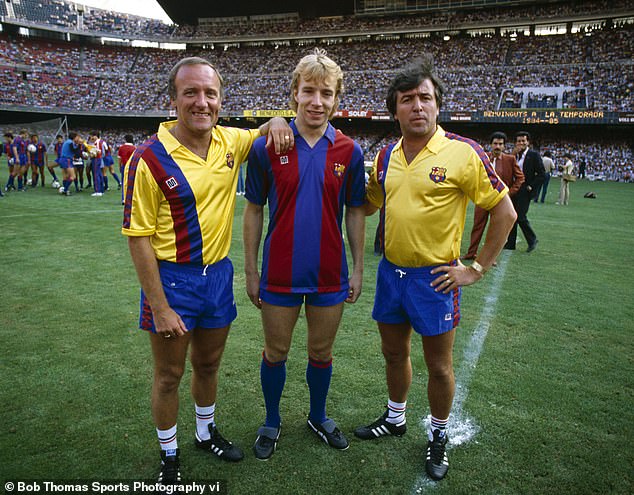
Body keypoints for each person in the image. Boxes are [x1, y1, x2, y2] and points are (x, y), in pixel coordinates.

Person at [121, 56, 292, 485]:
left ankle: (204, 432)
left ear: (220, 100)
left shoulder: (229, 141)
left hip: (217, 276)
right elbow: (138, 238)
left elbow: (265, 130)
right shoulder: (148, 159)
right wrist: (159, 306)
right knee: (169, 374)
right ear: (174, 99)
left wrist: (274, 120)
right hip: (172, 281)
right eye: (191, 93)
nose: (201, 102)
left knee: (209, 364)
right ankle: (169, 455)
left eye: (210, 93)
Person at [353, 55, 516, 482]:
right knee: (393, 353)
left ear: (438, 105)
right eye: (407, 100)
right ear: (395, 110)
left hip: (435, 277)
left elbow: (505, 212)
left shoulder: (462, 152)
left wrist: (476, 268)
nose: (417, 106)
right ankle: (395, 417)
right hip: (391, 273)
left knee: (439, 365)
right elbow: (368, 203)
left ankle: (438, 434)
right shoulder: (385, 155)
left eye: (425, 98)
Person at [243, 48, 366, 460]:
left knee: (321, 353)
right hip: (278, 271)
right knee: (275, 352)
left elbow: (354, 212)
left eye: (326, 93)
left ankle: (317, 414)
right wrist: (250, 271)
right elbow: (254, 209)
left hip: (330, 274)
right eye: (309, 91)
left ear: (336, 99)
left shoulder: (349, 151)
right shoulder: (267, 146)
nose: (317, 101)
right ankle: (272, 420)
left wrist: (359, 267)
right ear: (294, 93)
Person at [464, 131, 524, 260]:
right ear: (490, 145)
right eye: (495, 143)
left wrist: (509, 192)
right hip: (483, 198)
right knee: (477, 226)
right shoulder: (483, 157)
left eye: (500, 144)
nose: (497, 146)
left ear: (504, 146)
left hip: (500, 201)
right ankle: (471, 253)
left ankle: (491, 258)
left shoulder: (510, 159)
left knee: (496, 229)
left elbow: (520, 178)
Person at [505, 131, 545, 253]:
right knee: (512, 216)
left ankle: (532, 240)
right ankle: (510, 244)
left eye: (523, 141)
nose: (521, 143)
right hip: (513, 189)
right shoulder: (513, 155)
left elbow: (542, 174)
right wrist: (512, 155)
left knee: (521, 216)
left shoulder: (533, 155)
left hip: (525, 190)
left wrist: (531, 187)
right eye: (519, 141)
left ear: (528, 142)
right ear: (515, 143)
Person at [117, 134, 136, 203]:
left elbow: (119, 159)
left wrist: (119, 167)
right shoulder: (134, 148)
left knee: (124, 182)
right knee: (132, 183)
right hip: (131, 167)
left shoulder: (121, 147)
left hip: (124, 166)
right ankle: (131, 198)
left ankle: (123, 198)